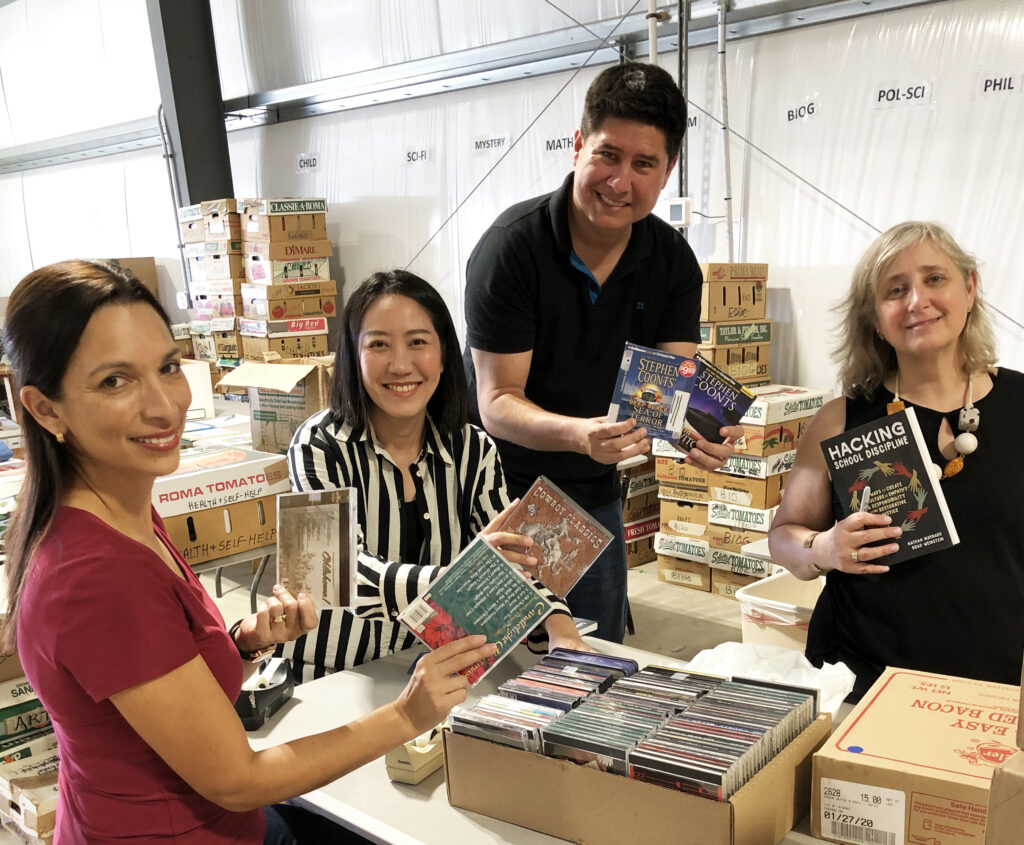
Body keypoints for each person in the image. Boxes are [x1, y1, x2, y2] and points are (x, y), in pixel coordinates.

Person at [3, 260, 497, 843]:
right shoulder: (97, 571)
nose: (163, 406)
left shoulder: (128, 511)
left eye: (167, 367)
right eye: (115, 381)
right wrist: (406, 714)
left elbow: (167, 674)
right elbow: (237, 778)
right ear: (44, 408)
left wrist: (240, 644)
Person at [463, 62, 741, 643]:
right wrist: (576, 434)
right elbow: (496, 402)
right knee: (487, 664)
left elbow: (668, 388)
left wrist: (701, 434)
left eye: (645, 164)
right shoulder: (512, 250)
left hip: (592, 494)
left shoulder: (672, 262)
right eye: (608, 155)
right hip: (498, 495)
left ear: (668, 172)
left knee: (594, 667)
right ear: (577, 146)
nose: (620, 182)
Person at [280, 269, 588, 682]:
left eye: (418, 342)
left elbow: (513, 554)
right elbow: (332, 575)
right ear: (353, 357)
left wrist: (560, 629)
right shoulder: (317, 445)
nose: (401, 364)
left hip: (435, 667)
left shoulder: (473, 449)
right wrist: (453, 580)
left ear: (444, 355)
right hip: (331, 671)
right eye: (378, 345)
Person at [768, 222, 1024, 701]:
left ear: (970, 288)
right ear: (874, 316)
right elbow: (784, 536)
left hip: (995, 685)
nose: (916, 301)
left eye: (934, 279)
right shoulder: (839, 420)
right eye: (895, 290)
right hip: (861, 681)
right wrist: (822, 548)